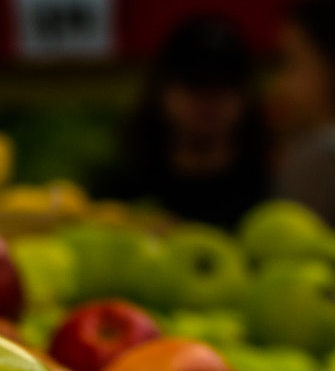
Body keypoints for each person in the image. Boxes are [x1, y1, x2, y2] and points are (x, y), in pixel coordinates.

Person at [95, 14, 270, 228]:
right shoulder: (117, 199)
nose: (209, 98)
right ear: (163, 91)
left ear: (245, 96)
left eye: (224, 84)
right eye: (195, 82)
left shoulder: (271, 196)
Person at [271, 0, 335, 232]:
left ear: (334, 66)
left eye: (292, 61)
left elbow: (284, 251)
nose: (281, 85)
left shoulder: (328, 154)